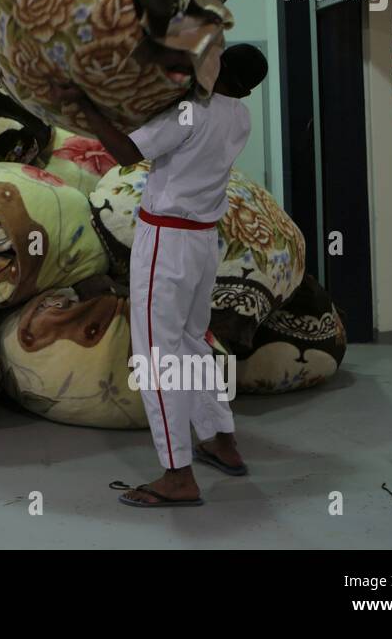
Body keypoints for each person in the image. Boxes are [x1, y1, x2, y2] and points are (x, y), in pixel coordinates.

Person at [54, 43, 269, 508]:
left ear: (221, 71)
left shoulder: (194, 112)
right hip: (202, 243)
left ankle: (177, 476)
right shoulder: (239, 117)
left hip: (166, 244)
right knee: (193, 341)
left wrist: (88, 109)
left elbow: (128, 153)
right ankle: (220, 440)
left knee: (157, 356)